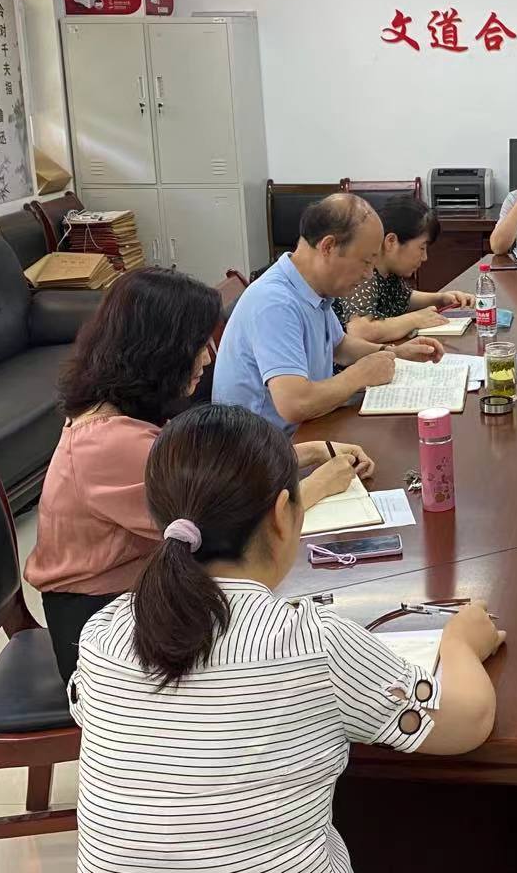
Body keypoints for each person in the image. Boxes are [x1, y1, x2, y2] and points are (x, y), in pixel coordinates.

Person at [71, 404, 504, 872]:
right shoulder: (313, 643)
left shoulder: (103, 634)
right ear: (283, 515)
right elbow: (469, 721)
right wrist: (460, 643)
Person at [25, 268, 369, 684]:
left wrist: (310, 451)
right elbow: (230, 520)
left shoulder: (124, 409)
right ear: (159, 350)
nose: (208, 358)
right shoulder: (107, 442)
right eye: (198, 345)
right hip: (101, 624)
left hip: (137, 591)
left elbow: (214, 469)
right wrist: (317, 484)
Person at [213, 193, 445, 432]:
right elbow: (294, 403)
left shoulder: (313, 288)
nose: (368, 274)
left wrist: (394, 354)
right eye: (366, 262)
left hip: (305, 428)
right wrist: (359, 375)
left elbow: (339, 346)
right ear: (328, 247)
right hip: (267, 444)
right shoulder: (275, 302)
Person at [337, 195, 476, 344]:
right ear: (391, 241)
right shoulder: (365, 273)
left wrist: (441, 299)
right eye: (421, 248)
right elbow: (360, 331)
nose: (425, 257)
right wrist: (415, 319)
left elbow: (404, 298)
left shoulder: (389, 271)